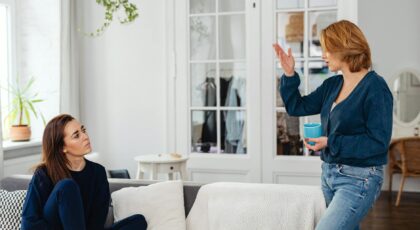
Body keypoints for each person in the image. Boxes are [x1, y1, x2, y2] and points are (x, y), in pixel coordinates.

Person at [273, 20, 392, 230]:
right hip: (329, 175)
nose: (323, 55)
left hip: (360, 178)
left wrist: (330, 141)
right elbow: (297, 107)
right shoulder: (332, 84)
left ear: (344, 47)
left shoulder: (375, 87)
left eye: (327, 50)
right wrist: (290, 74)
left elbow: (377, 143)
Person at [21, 114, 148, 230]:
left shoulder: (98, 172)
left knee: (138, 221)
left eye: (83, 130)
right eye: (76, 135)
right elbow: (28, 223)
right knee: (66, 186)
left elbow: (96, 222)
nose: (85, 137)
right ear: (62, 148)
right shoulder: (44, 173)